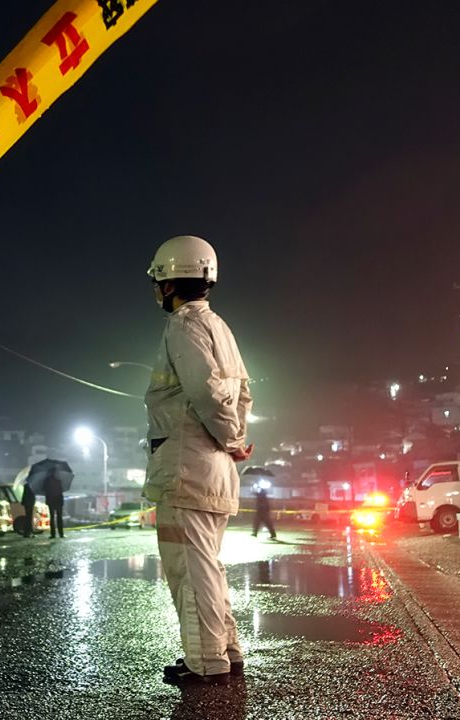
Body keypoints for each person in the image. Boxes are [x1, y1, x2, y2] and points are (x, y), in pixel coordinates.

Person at [142, 235, 253, 686]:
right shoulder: (220, 327)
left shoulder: (182, 327)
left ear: (168, 283)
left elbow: (205, 393)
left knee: (189, 566)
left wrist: (230, 439)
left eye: (157, 282)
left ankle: (206, 662)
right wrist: (237, 439)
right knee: (207, 564)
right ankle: (226, 651)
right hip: (214, 468)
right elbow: (242, 392)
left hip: (187, 467)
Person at [43, 470, 65, 539]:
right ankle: (61, 534)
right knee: (59, 518)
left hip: (51, 501)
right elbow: (62, 490)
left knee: (52, 517)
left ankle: (53, 534)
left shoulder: (46, 480)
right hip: (58, 501)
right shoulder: (59, 480)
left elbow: (44, 490)